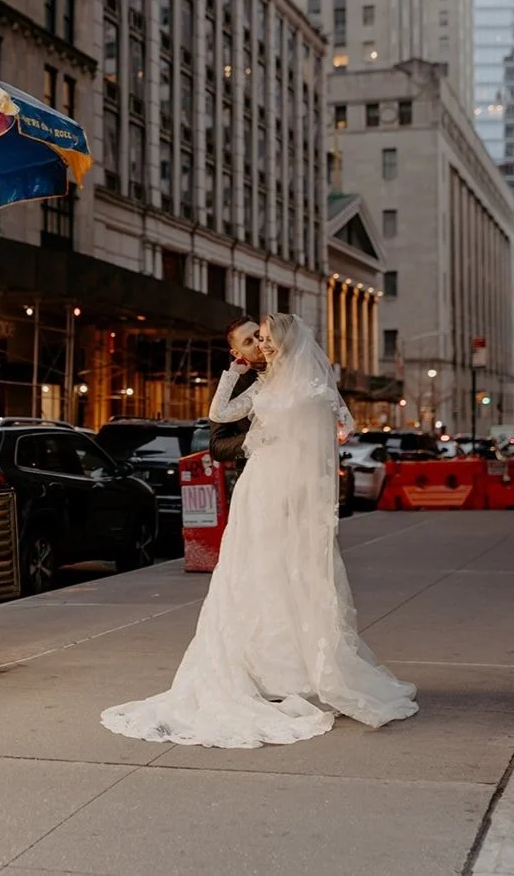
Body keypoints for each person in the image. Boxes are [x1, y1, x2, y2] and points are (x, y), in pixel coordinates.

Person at [101, 312, 418, 748]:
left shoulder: (311, 383)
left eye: (264, 338)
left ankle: (298, 671)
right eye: (253, 341)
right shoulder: (259, 385)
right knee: (252, 576)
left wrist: (313, 456)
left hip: (292, 491)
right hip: (259, 490)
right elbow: (219, 423)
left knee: (293, 577)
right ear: (240, 351)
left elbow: (340, 426)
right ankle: (258, 668)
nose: (261, 346)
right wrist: (248, 418)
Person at [208, 316, 266, 464]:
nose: (258, 343)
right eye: (248, 342)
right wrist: (259, 437)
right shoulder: (230, 386)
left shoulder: (294, 370)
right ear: (236, 353)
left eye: (258, 335)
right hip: (255, 474)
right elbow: (217, 448)